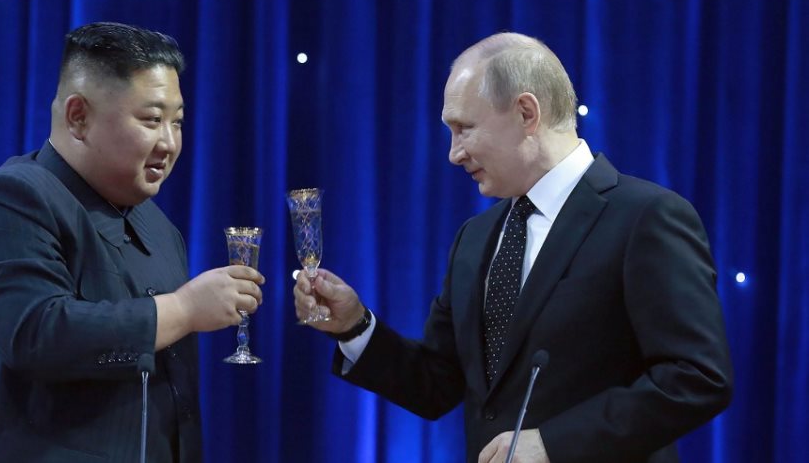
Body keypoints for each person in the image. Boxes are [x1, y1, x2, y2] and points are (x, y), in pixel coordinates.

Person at [294, 32, 733, 463]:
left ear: (526, 113)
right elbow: (436, 383)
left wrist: (555, 445)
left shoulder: (645, 217)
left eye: (464, 129)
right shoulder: (475, 237)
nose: (453, 153)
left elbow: (696, 377)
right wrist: (354, 326)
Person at [0, 22, 264, 463]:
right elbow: (37, 334)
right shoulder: (4, 199)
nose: (169, 142)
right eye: (152, 120)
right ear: (78, 117)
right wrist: (184, 309)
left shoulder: (159, 228)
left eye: (177, 122)